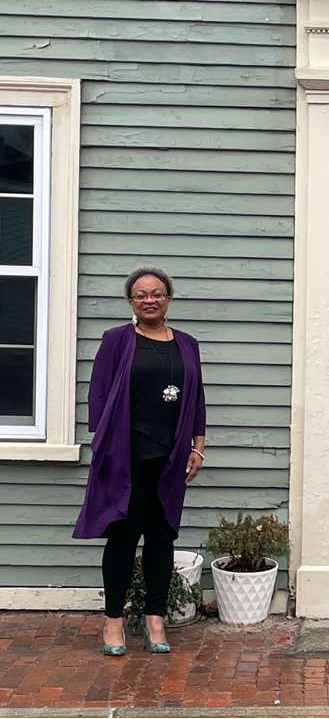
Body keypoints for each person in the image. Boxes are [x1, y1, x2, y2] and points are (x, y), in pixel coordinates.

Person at [73, 266, 206, 656]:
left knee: (162, 537)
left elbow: (196, 399)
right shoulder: (117, 339)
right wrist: (105, 447)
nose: (150, 299)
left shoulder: (187, 343)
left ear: (169, 298)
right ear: (131, 301)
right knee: (124, 536)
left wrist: (197, 446)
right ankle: (113, 622)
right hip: (127, 455)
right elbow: (98, 394)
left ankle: (155, 619)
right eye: (141, 294)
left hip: (171, 455)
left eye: (158, 293)